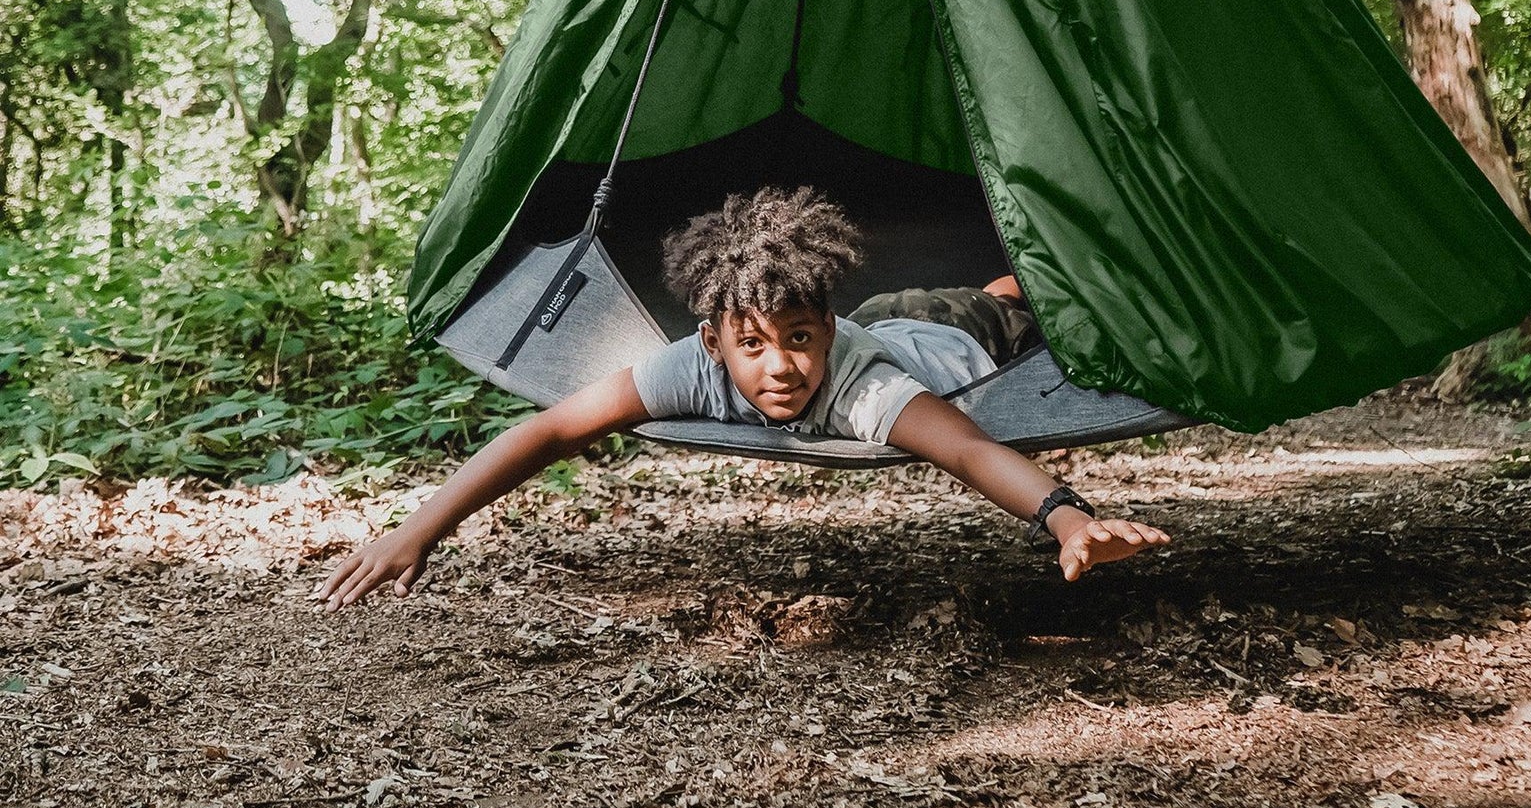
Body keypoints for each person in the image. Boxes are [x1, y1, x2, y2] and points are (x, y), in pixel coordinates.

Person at [320, 186, 1169, 609]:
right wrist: (415, 529)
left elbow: (971, 449)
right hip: (886, 319)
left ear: (824, 335)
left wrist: (1066, 517)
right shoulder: (685, 366)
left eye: (800, 340)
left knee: (1011, 302)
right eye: (754, 345)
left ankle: (1041, 276)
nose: (780, 369)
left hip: (956, 341)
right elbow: (550, 430)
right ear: (711, 342)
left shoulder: (867, 390)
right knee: (950, 300)